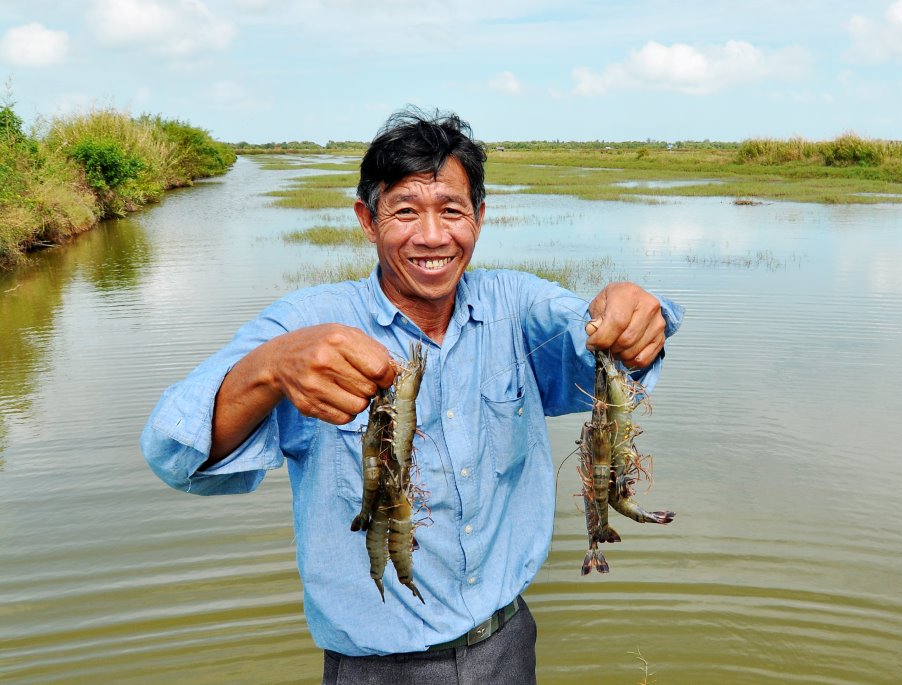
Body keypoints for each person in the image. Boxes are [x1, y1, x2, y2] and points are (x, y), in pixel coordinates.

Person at [141, 108, 683, 685]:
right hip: (373, 667)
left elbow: (600, 333)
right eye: (404, 211)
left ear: (479, 217)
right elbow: (173, 454)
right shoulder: (308, 324)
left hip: (506, 646)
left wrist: (631, 311)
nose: (431, 236)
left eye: (452, 210)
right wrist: (269, 368)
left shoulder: (517, 306)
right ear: (367, 221)